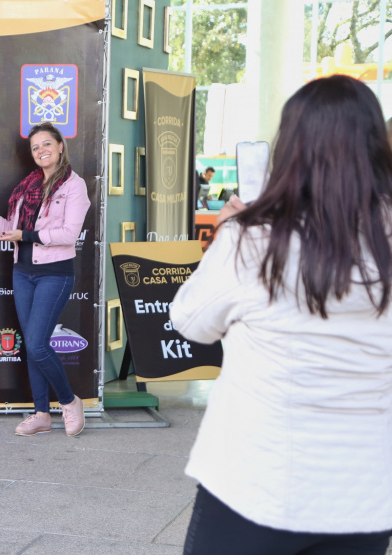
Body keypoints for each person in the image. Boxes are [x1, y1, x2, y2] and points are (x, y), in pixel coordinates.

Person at [170, 75, 392, 554]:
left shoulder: (253, 239)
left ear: (291, 149)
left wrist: (226, 233)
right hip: (367, 492)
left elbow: (190, 321)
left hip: (257, 481)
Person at [0, 122, 91, 437]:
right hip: (23, 273)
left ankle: (70, 401)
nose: (41, 151)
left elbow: (69, 234)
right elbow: (10, 229)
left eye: (46, 144)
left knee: (38, 344)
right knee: (32, 345)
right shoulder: (28, 186)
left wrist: (25, 235)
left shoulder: (74, 185)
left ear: (60, 146)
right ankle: (41, 414)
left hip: (54, 273)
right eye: (35, 147)